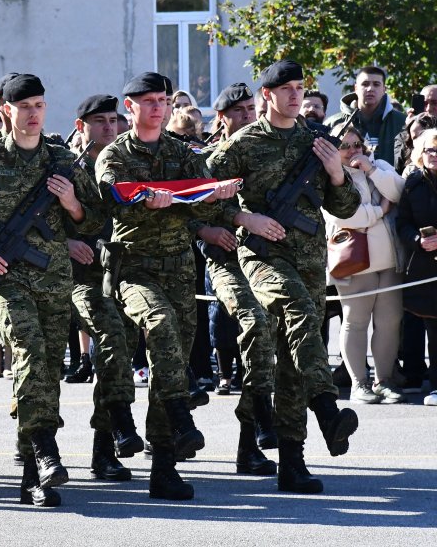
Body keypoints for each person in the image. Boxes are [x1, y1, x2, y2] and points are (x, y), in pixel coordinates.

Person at [0, 74, 106, 507]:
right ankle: (46, 448)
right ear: (5, 110)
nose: (33, 114)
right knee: (28, 351)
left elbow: (97, 218)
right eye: (25, 106)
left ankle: (34, 475)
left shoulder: (62, 159)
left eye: (39, 106)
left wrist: (72, 204)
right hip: (7, 280)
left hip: (54, 281)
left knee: (46, 369)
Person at [208, 59, 361, 494]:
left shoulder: (316, 142)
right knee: (299, 312)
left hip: (310, 260)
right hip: (262, 257)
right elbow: (201, 197)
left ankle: (292, 462)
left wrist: (336, 173)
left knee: (294, 359)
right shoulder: (243, 144)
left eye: (300, 88)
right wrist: (243, 217)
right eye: (286, 89)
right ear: (267, 95)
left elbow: (346, 207)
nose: (295, 95)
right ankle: (327, 408)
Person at [95, 72, 238, 501]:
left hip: (179, 269)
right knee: (152, 330)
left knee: (170, 358)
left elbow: (201, 203)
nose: (158, 108)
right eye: (148, 101)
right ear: (130, 107)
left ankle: (164, 465)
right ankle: (175, 416)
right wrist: (154, 201)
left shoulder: (181, 152)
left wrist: (212, 197)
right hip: (133, 268)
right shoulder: (115, 154)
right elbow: (116, 201)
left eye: (162, 101)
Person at [194, 82, 278, 475]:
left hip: (264, 261)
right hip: (226, 262)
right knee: (251, 325)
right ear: (222, 118)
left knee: (262, 342)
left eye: (250, 109)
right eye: (238, 111)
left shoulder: (266, 151)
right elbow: (187, 208)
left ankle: (252, 439)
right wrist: (210, 230)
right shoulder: (206, 159)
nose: (246, 116)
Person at [65, 94, 143, 480]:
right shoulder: (65, 169)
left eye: (113, 120)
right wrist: (66, 241)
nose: (109, 127)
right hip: (78, 278)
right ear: (81, 127)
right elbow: (37, 221)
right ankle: (121, 421)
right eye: (99, 121)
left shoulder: (125, 164)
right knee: (110, 337)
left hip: (122, 276)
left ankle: (104, 449)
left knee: (117, 351)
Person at [324, 125, 405, 404]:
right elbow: (346, 218)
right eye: (344, 146)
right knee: (355, 322)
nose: (352, 151)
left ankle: (384, 381)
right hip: (354, 262)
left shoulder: (379, 165)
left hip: (389, 261)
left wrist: (372, 171)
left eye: (356, 144)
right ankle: (359, 383)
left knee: (390, 322)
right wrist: (380, 211)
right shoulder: (330, 176)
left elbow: (400, 192)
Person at [396, 128, 437, 407]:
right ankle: (435, 385)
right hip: (425, 267)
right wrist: (417, 241)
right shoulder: (412, 184)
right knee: (433, 330)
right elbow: (402, 223)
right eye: (429, 150)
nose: (434, 155)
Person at [324, 66, 406, 165]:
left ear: (384, 89)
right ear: (356, 88)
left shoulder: (402, 122)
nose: (370, 89)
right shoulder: (333, 123)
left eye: (376, 84)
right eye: (365, 84)